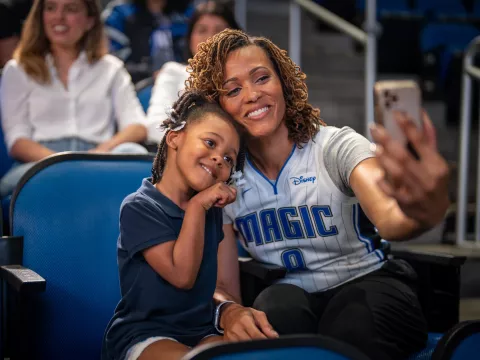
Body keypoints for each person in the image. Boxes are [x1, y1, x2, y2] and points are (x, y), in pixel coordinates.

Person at [185, 29, 451, 360]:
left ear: (282, 82)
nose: (251, 95)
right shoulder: (223, 180)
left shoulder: (335, 147)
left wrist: (419, 212)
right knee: (272, 312)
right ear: (217, 106)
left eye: (261, 78)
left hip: (370, 283)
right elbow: (225, 287)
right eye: (234, 89)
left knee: (353, 323)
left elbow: (390, 218)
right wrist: (229, 312)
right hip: (292, 295)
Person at [101, 90, 241, 360]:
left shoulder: (212, 212)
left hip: (201, 330)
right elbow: (182, 275)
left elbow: (222, 289)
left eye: (228, 159)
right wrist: (198, 206)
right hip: (145, 334)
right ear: (175, 137)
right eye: (210, 143)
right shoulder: (139, 207)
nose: (218, 159)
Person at [0, 0, 148, 197]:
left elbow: (136, 126)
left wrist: (98, 154)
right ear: (40, 16)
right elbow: (17, 140)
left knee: (132, 151)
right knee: (11, 185)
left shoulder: (111, 68)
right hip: (39, 163)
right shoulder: (17, 69)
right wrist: (63, 165)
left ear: (89, 21)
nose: (58, 16)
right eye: (51, 8)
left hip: (99, 158)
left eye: (70, 9)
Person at [145, 0, 241, 145]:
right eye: (202, 30)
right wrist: (198, 144)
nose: (210, 38)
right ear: (190, 39)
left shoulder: (244, 77)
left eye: (219, 31)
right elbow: (155, 127)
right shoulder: (173, 71)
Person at [102, 0, 193, 84]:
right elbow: (111, 63)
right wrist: (151, 73)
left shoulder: (187, 15)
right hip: (135, 86)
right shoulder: (119, 14)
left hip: (182, 83)